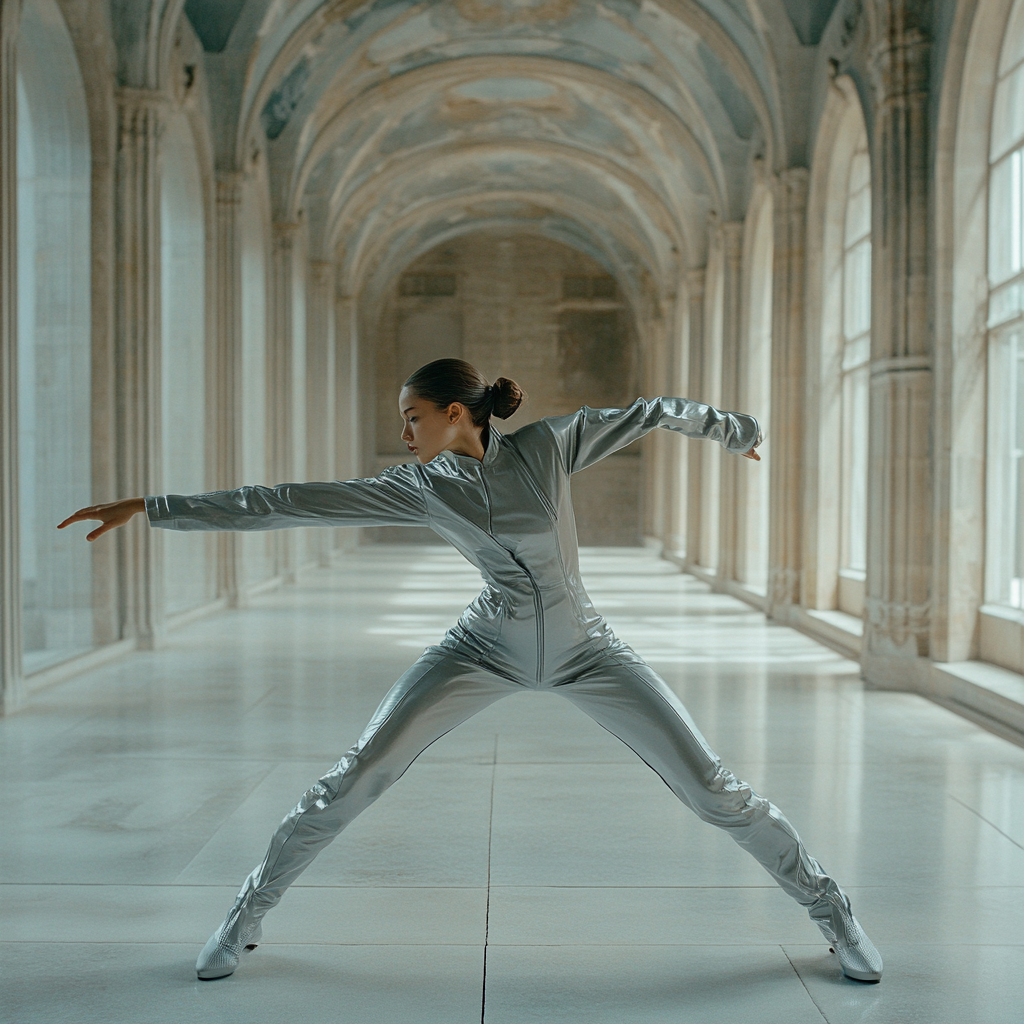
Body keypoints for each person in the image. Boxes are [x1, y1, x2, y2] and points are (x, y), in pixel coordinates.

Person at [58, 358, 882, 985]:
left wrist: (732, 429)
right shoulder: (420, 487)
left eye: (412, 417)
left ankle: (831, 911)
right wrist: (154, 507)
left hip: (589, 650)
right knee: (352, 779)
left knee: (713, 788)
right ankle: (244, 917)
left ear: (457, 413)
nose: (403, 431)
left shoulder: (551, 447)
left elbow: (651, 412)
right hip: (479, 649)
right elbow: (286, 499)